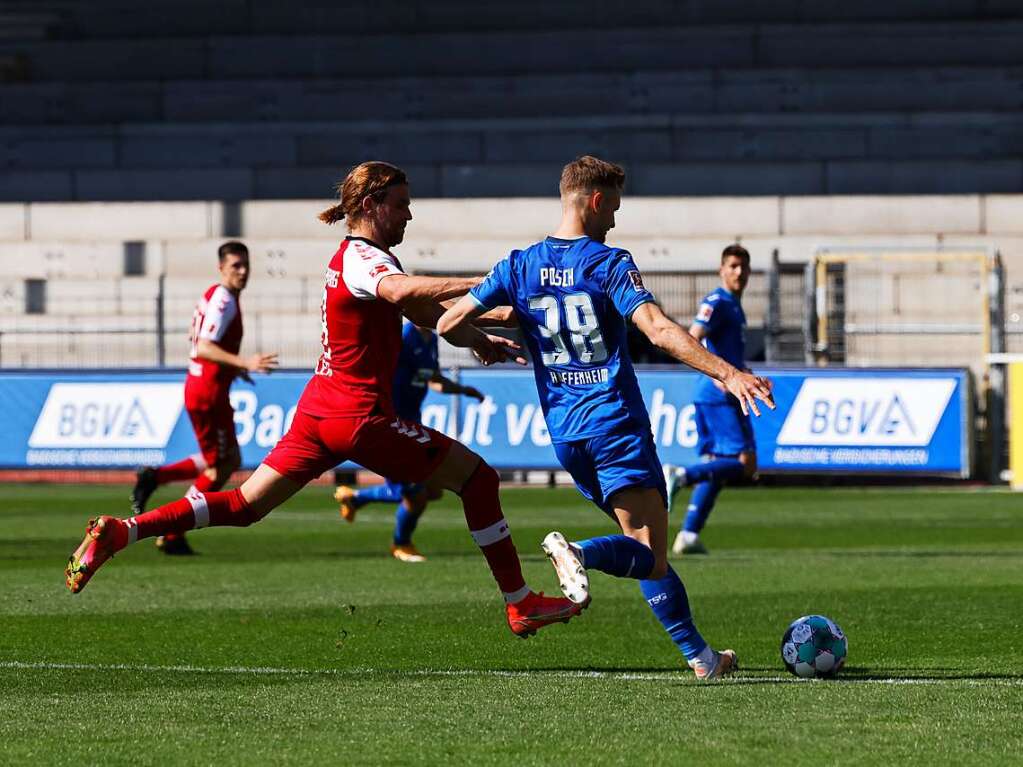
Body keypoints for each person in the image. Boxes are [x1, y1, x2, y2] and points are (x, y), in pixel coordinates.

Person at [66, 161, 584, 639]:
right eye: (401, 204)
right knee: (479, 479)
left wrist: (482, 332)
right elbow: (406, 295)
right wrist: (490, 283)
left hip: (319, 410)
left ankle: (123, 530)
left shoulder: (358, 261)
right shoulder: (364, 258)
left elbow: (423, 313)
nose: (409, 213)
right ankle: (519, 602)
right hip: (357, 417)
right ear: (370, 207)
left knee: (245, 505)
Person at [438, 156, 774, 679]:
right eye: (613, 207)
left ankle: (703, 658)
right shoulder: (607, 263)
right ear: (595, 201)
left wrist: (485, 343)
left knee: (644, 546)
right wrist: (728, 374)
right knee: (649, 555)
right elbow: (658, 330)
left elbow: (449, 321)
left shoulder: (518, 265)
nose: (615, 220)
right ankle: (578, 552)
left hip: (566, 435)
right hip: (615, 423)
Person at [130, 241, 278, 555]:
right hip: (207, 392)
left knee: (222, 460)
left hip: (204, 386)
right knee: (222, 465)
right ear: (221, 268)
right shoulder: (224, 300)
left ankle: (156, 477)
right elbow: (204, 346)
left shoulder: (214, 294)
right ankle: (173, 531)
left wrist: (232, 370)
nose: (242, 271)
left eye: (245, 265)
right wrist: (244, 362)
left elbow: (194, 336)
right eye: (235, 266)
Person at [334, 321, 487, 563]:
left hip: (411, 422)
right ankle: (400, 544)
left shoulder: (431, 338)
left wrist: (463, 390)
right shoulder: (402, 337)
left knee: (432, 490)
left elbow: (433, 379)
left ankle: (355, 498)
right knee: (416, 495)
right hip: (390, 424)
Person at [662, 244, 757, 556]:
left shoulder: (734, 304)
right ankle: (682, 474)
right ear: (721, 270)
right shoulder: (716, 301)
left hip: (719, 393)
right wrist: (720, 375)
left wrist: (746, 374)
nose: (739, 272)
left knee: (718, 465)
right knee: (744, 464)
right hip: (717, 395)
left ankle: (689, 533)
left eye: (743, 266)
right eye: (732, 266)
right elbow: (692, 337)